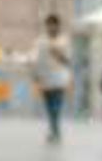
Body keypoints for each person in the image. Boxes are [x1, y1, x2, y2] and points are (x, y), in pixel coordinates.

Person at [31, 14, 72, 143]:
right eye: (49, 25)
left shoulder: (64, 41)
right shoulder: (40, 42)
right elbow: (35, 59)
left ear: (58, 26)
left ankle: (55, 131)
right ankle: (54, 129)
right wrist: (35, 74)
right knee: (49, 107)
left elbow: (68, 60)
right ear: (46, 26)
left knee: (56, 106)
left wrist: (57, 53)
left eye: (54, 25)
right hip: (45, 79)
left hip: (60, 79)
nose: (51, 27)